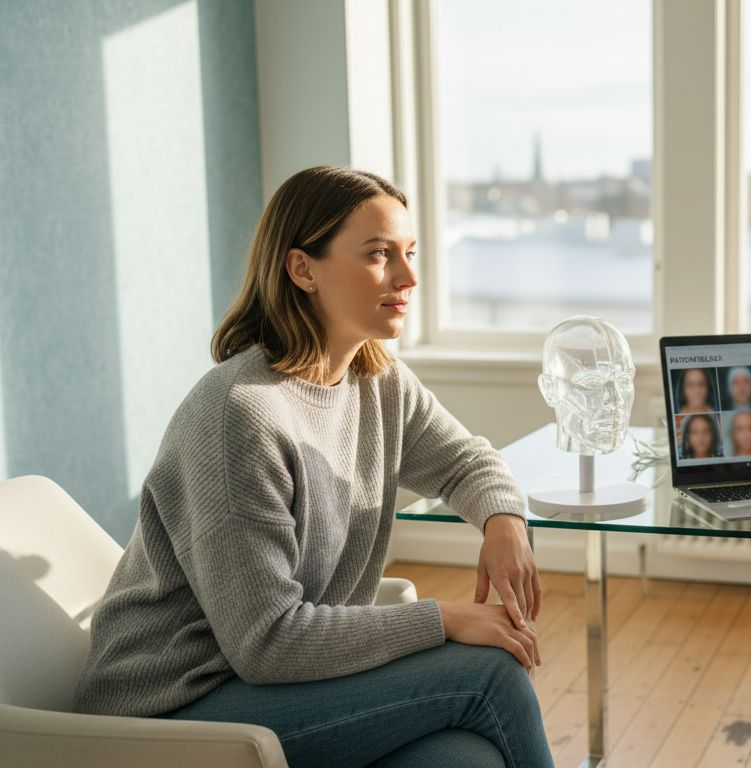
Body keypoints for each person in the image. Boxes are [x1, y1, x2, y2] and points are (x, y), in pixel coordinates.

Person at [73, 166, 554, 768]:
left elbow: (466, 462)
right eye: (379, 255)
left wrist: (503, 521)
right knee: (490, 676)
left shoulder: (377, 381)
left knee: (462, 758)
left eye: (409, 252)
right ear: (303, 269)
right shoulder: (240, 415)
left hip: (275, 689)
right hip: (171, 710)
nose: (408, 277)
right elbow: (266, 641)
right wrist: (444, 618)